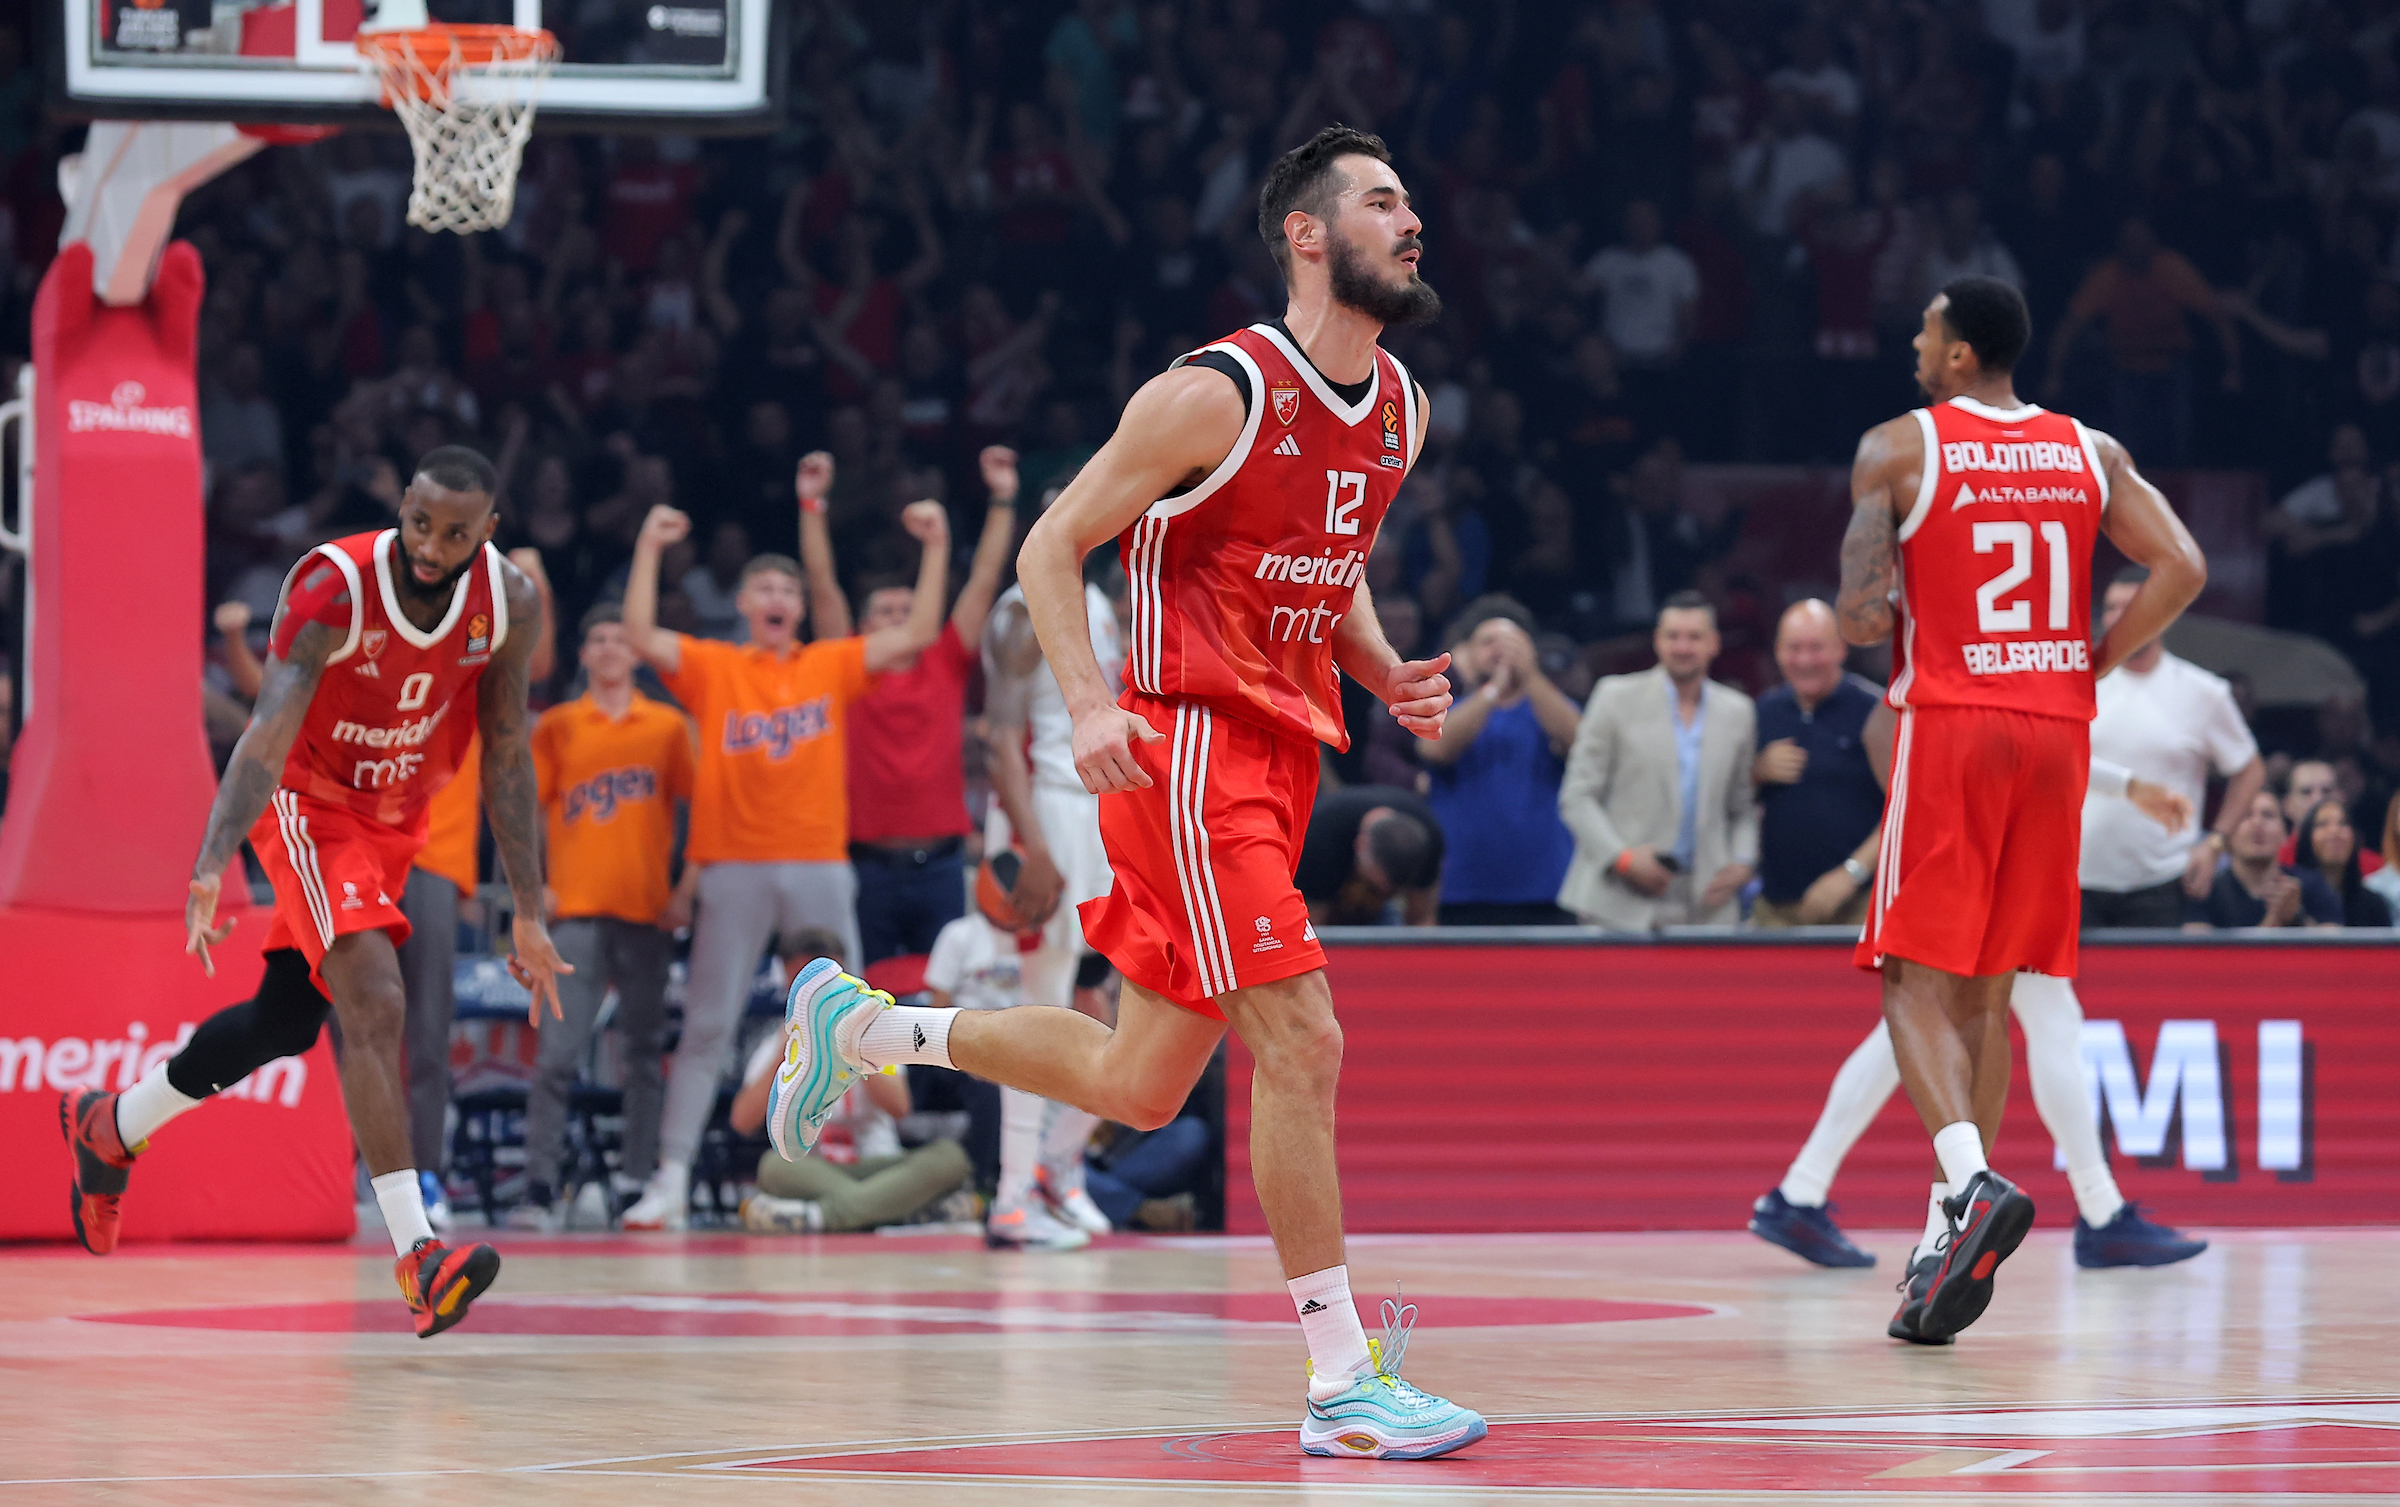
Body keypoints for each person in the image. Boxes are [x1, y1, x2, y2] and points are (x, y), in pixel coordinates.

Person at [767, 127, 1487, 1460]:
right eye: (1384, 201)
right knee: (1306, 1039)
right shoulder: (1215, 390)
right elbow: (1053, 540)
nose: (1413, 219)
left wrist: (1378, 665)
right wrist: (1093, 701)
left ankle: (865, 1027)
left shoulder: (1400, 405)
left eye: (1413, 199)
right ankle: (1343, 1377)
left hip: (1284, 747)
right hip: (1187, 747)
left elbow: (1335, 553)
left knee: (1140, 1081)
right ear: (1308, 235)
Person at [61, 447, 568, 1338]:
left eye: (456, 532)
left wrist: (527, 906)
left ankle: (112, 1123)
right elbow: (265, 730)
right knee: (374, 998)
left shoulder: (509, 601)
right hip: (307, 802)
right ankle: (419, 1256)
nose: (432, 544)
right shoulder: (334, 585)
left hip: (394, 818)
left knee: (285, 1020)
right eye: (419, 521)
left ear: (487, 532)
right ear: (401, 506)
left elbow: (507, 751)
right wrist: (214, 859)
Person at [1836, 275, 2206, 1344]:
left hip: (1955, 722)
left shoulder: (1899, 447)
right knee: (1989, 995)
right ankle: (1944, 1236)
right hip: (2057, 729)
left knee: (1909, 977)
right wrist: (2095, 657)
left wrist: (1894, 581)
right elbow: (2183, 564)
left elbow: (1863, 621)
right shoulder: (2093, 450)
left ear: (1958, 354)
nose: (1914, 338)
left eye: (1925, 328)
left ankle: (1969, 1182)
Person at [1752, 723, 2211, 1272]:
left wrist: (2126, 785)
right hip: (1983, 855)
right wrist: (2129, 785)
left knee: (1915, 1029)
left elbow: (2031, 742)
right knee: (2026, 1020)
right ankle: (2098, 1211)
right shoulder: (1965, 675)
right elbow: (2015, 742)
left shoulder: (1983, 672)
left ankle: (1800, 1190)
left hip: (1982, 847)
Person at [614, 494, 951, 1231]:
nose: (777, 598)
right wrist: (647, 544)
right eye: (765, 588)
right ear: (742, 601)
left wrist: (935, 544)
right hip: (734, 864)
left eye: (788, 590)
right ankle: (670, 1176)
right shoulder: (713, 666)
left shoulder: (830, 663)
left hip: (819, 861)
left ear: (801, 607)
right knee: (708, 1023)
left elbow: (922, 631)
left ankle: (872, 1135)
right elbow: (638, 633)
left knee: (857, 1012)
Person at [511, 604, 695, 1230]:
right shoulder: (559, 725)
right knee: (557, 1055)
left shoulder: (668, 726)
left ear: (638, 654)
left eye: (621, 638)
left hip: (645, 910)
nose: (611, 648)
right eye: (598, 638)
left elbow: (703, 809)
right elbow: (530, 812)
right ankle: (540, 1184)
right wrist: (536, 889)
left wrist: (686, 888)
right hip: (577, 912)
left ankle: (634, 1180)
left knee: (643, 1054)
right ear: (583, 654)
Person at [813, 444, 1019, 966]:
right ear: (863, 629)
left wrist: (1002, 498)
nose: (903, 617)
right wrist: (811, 508)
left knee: (946, 1013)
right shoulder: (844, 669)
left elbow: (983, 582)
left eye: (910, 609)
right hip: (866, 865)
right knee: (864, 1007)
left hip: (942, 866)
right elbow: (822, 591)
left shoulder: (944, 659)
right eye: (887, 610)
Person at [981, 538, 1130, 1248]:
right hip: (1048, 814)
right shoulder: (1019, 610)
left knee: (1130, 1008)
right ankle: (1012, 1195)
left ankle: (1056, 1161)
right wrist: (1033, 845)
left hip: (1106, 812)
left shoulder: (1101, 600)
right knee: (1037, 1009)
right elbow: (998, 740)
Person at [731, 936, 973, 1235]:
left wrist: (854, 1050)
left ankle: (822, 1216)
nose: (811, 994)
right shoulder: (776, 1041)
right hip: (816, 1168)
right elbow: (742, 1121)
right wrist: (787, 1053)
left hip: (881, 1162)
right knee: (772, 1166)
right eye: (802, 982)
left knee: (950, 1157)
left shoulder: (870, 1026)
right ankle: (897, 1209)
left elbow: (900, 1107)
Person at [1557, 592, 1759, 930]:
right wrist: (1621, 858)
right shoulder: (1614, 698)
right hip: (1619, 902)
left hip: (1707, 904)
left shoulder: (1738, 711)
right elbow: (1577, 797)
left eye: (1694, 637)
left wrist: (1742, 861)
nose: (1683, 647)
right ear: (1657, 641)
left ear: (1714, 643)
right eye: (1673, 636)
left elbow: (1741, 807)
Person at [2080, 565, 2265, 926]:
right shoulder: (2078, 682)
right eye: (2112, 607)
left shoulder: (2203, 692)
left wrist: (2215, 845)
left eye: (2130, 606)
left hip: (2161, 879)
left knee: (2150, 984)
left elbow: (2249, 769)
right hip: (2075, 876)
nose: (2118, 617)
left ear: (2160, 612)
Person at [1418, 599, 1581, 925]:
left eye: (1512, 642)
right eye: (1487, 642)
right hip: (1462, 888)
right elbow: (1436, 749)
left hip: (1546, 886)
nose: (1500, 650)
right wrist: (1494, 688)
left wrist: (1529, 675)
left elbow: (1581, 741)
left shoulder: (1550, 706)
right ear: (1468, 654)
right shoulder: (1446, 707)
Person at [1751, 599, 1885, 928]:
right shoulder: (1763, 712)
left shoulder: (1877, 712)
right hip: (1776, 909)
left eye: (1816, 647)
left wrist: (1850, 874)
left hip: (1859, 904)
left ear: (1841, 648)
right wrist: (1757, 772)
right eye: (1793, 648)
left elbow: (1908, 808)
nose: (1804, 660)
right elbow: (1734, 800)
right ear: (1778, 652)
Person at [2186, 791, 2345, 929]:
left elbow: (2337, 950)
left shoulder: (2312, 886)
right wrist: (2275, 919)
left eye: (2268, 815)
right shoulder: (2205, 890)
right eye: (2246, 816)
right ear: (2227, 836)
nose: (2257, 823)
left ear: (2285, 833)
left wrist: (2297, 916)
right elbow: (2194, 957)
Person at [1295, 784, 1446, 926]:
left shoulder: (1428, 840)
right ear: (1360, 844)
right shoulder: (1318, 841)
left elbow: (1423, 921)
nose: (1382, 893)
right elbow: (1312, 929)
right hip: (1324, 895)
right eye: (1376, 887)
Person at [2296, 798, 2394, 927]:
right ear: (2306, 838)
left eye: (2342, 823)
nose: (2334, 831)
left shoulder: (2373, 904)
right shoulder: (2293, 901)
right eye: (2322, 824)